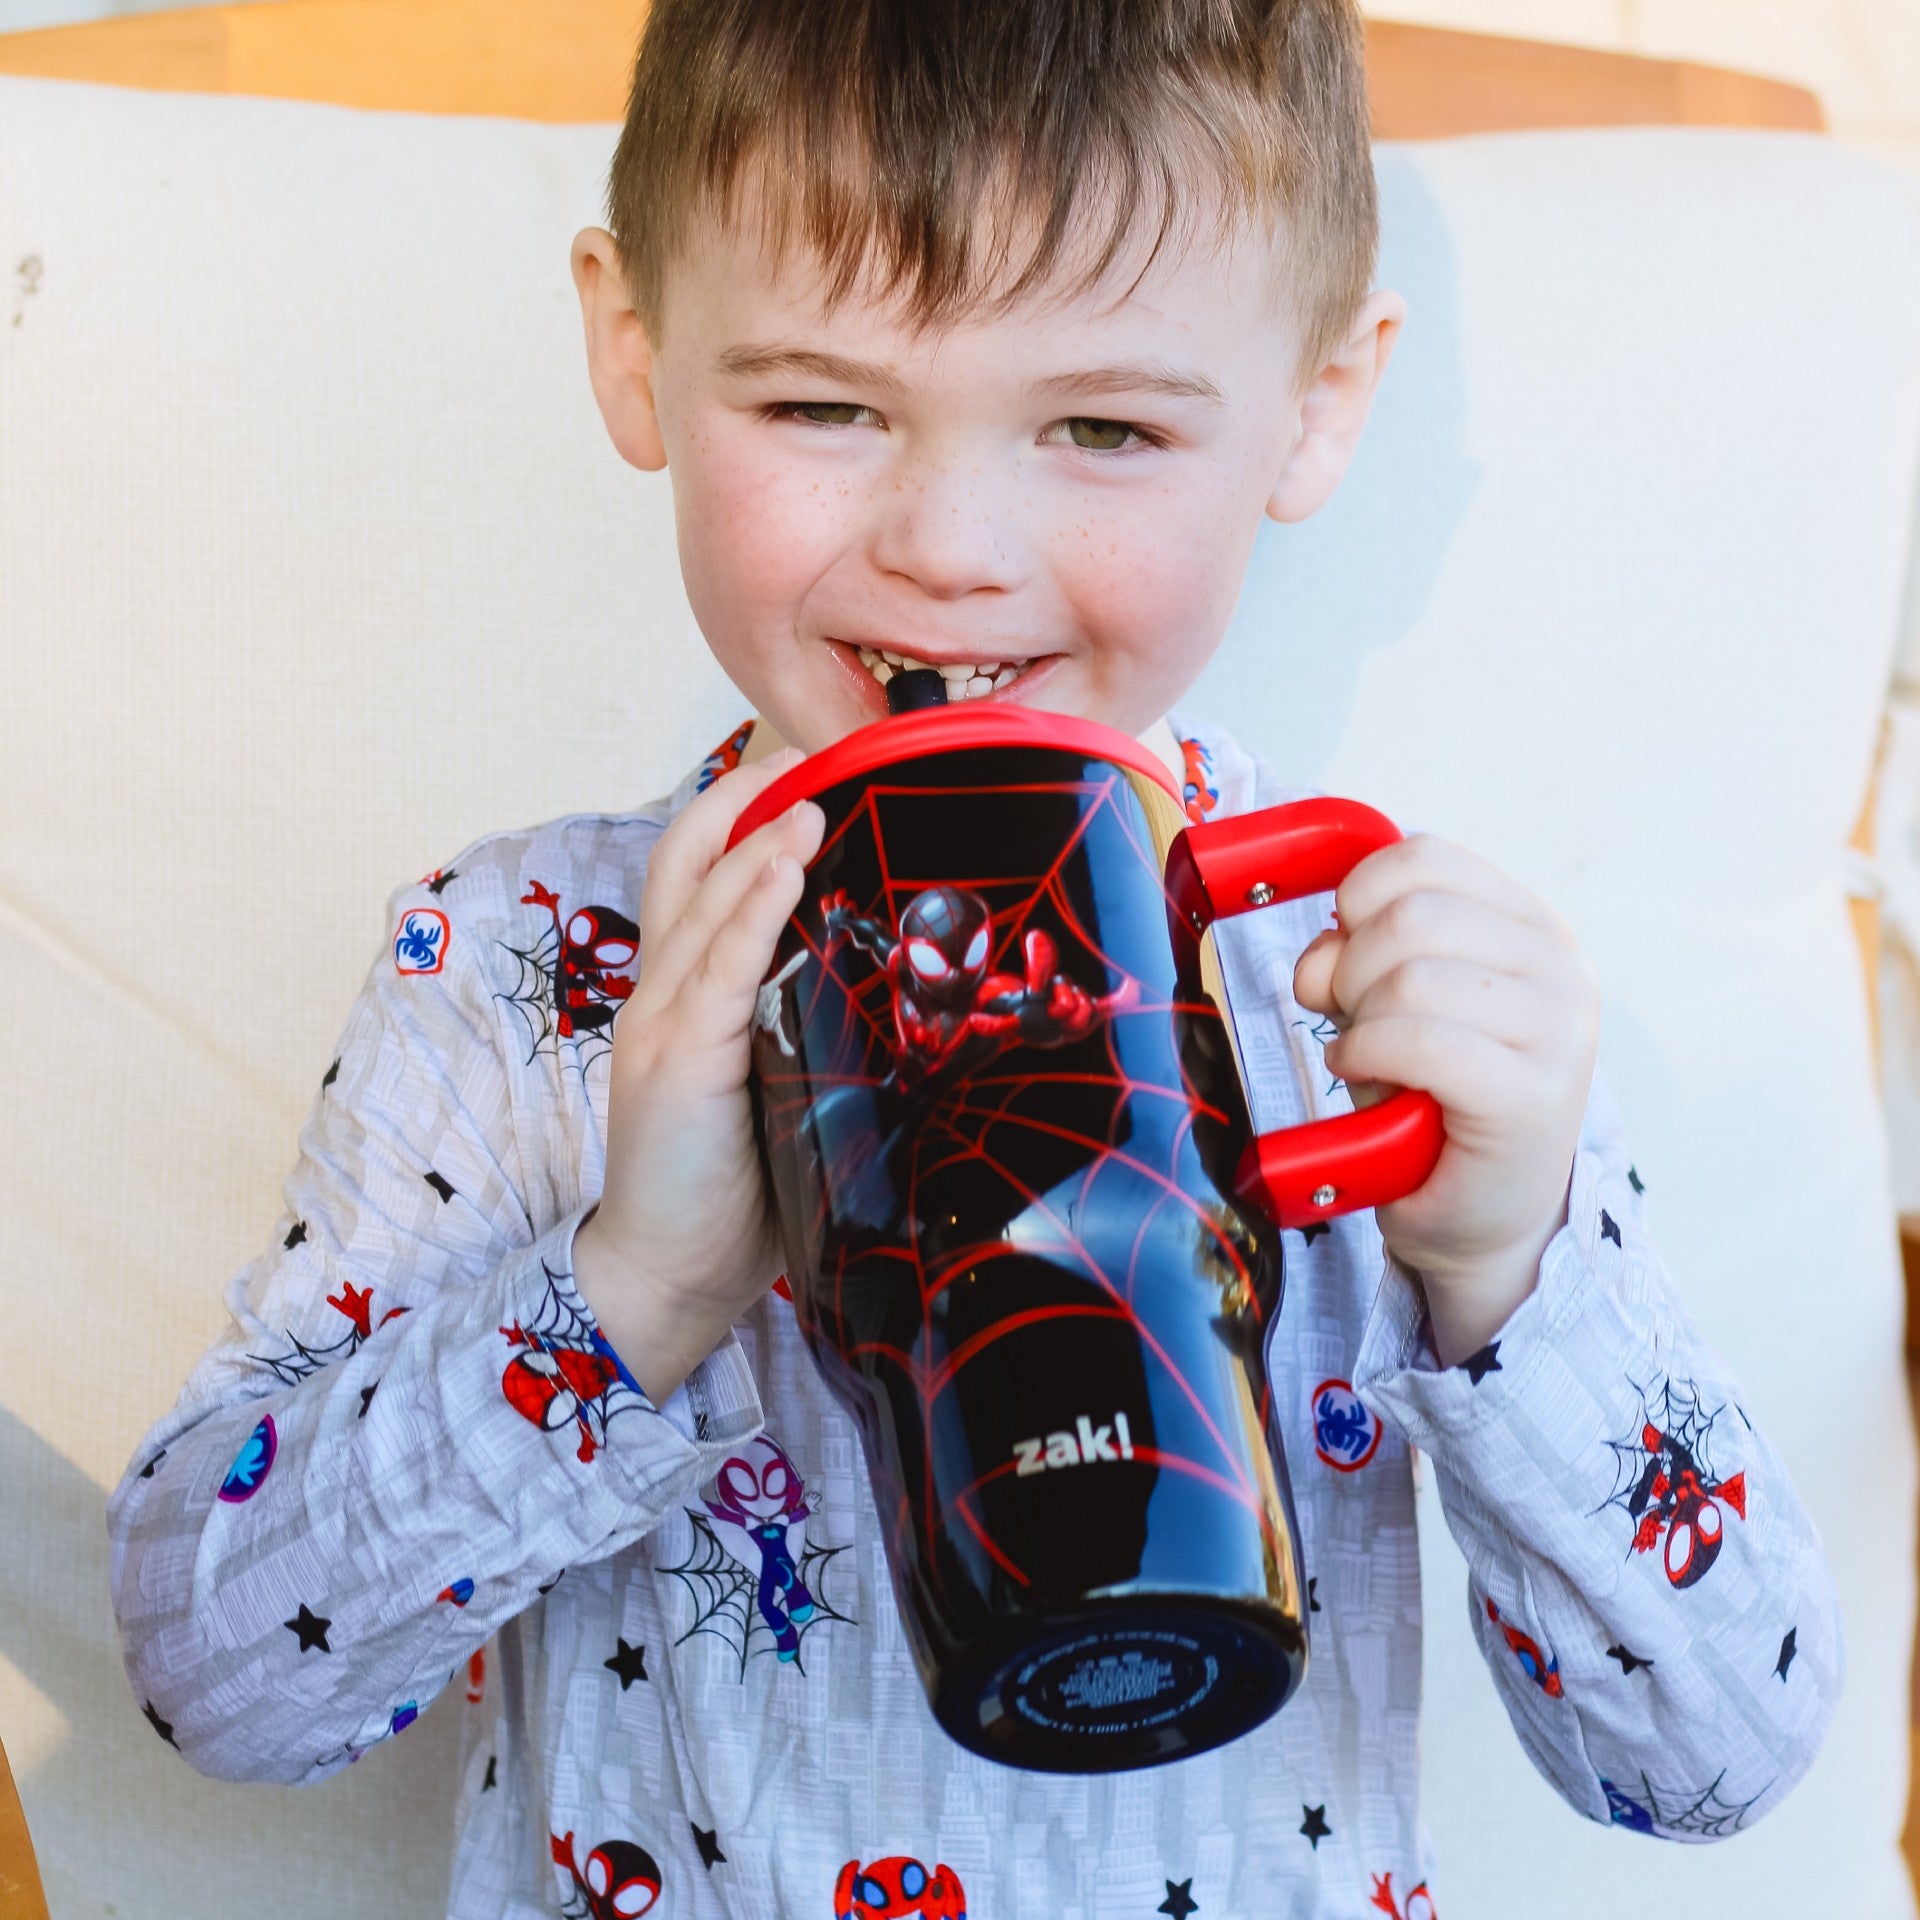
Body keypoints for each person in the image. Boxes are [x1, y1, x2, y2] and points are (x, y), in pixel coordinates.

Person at [108, 0, 1842, 1913]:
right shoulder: (524, 974)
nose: (950, 547)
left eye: (1104, 427)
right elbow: (211, 1679)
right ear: (634, 348)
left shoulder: (1362, 997)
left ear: (1319, 400)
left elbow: (1713, 1762)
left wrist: (1507, 1272)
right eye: (822, 406)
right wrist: (632, 1292)